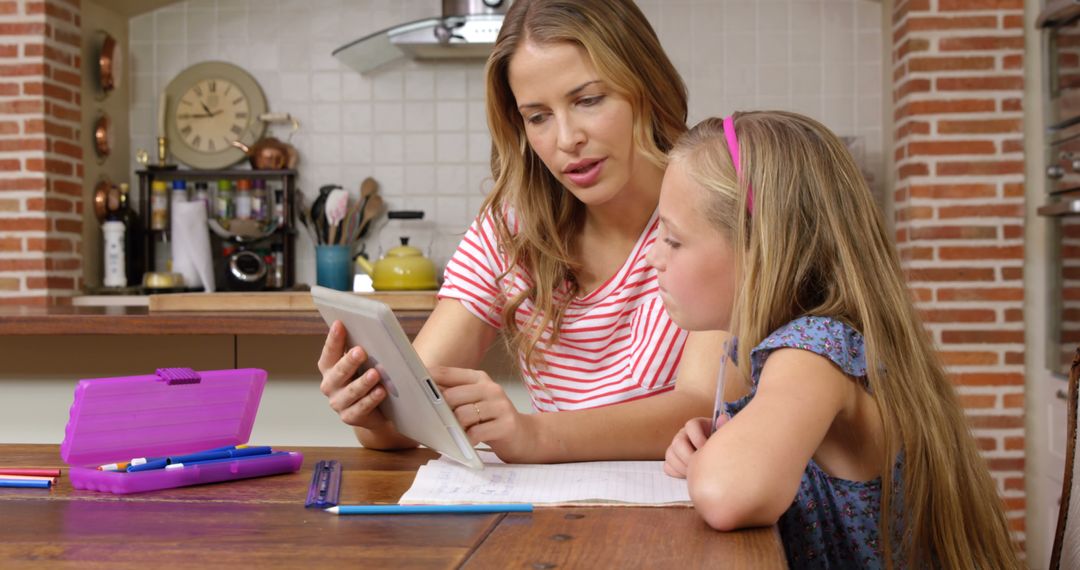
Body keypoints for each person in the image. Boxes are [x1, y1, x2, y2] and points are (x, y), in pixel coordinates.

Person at [319, 0, 722, 463]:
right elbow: (415, 404)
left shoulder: (718, 206)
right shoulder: (510, 229)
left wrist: (533, 435)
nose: (566, 139)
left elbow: (703, 407)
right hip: (554, 525)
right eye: (537, 116)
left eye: (588, 100)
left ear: (647, 86)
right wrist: (372, 410)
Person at [649, 111, 1022, 568]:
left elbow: (727, 494)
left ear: (759, 248)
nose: (653, 257)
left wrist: (711, 460)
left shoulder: (812, 352)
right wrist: (727, 439)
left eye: (673, 239)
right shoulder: (796, 345)